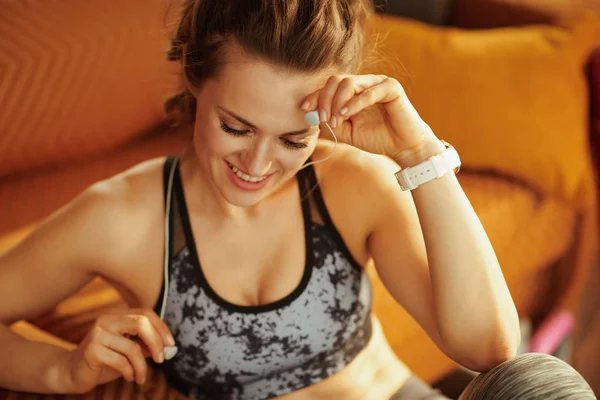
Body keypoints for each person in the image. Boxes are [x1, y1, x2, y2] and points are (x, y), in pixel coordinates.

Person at [0, 0, 535, 398]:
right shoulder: (121, 217)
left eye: (293, 140)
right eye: (236, 127)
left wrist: (420, 153)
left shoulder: (354, 185)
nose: (257, 167)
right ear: (192, 73)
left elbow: (489, 351)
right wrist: (63, 370)